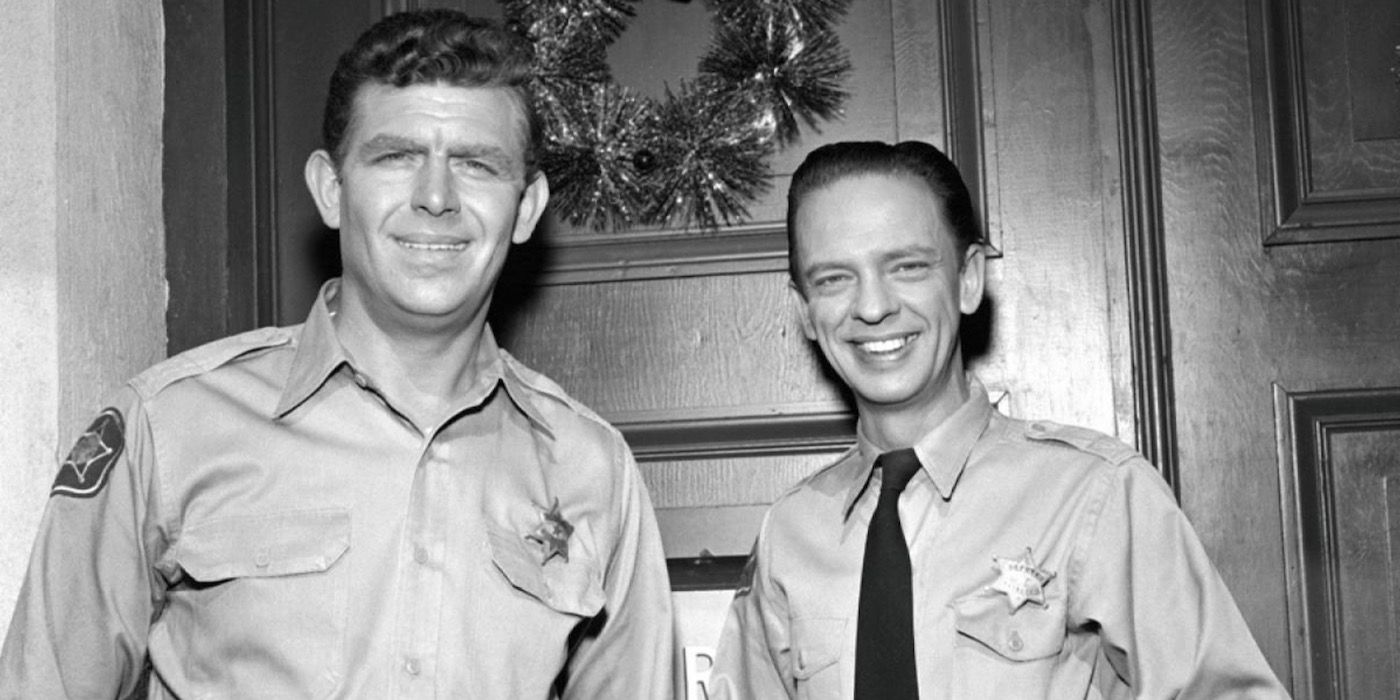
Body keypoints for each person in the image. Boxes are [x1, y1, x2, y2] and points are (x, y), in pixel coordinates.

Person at [0, 10, 672, 698]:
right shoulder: (167, 430)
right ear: (330, 188)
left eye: (475, 164)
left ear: (525, 208)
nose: (435, 197)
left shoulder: (592, 470)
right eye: (396, 157)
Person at [708, 140, 1287, 698]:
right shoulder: (790, 534)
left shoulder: (1096, 496)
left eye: (906, 267)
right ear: (805, 311)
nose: (873, 306)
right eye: (833, 278)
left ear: (967, 279)